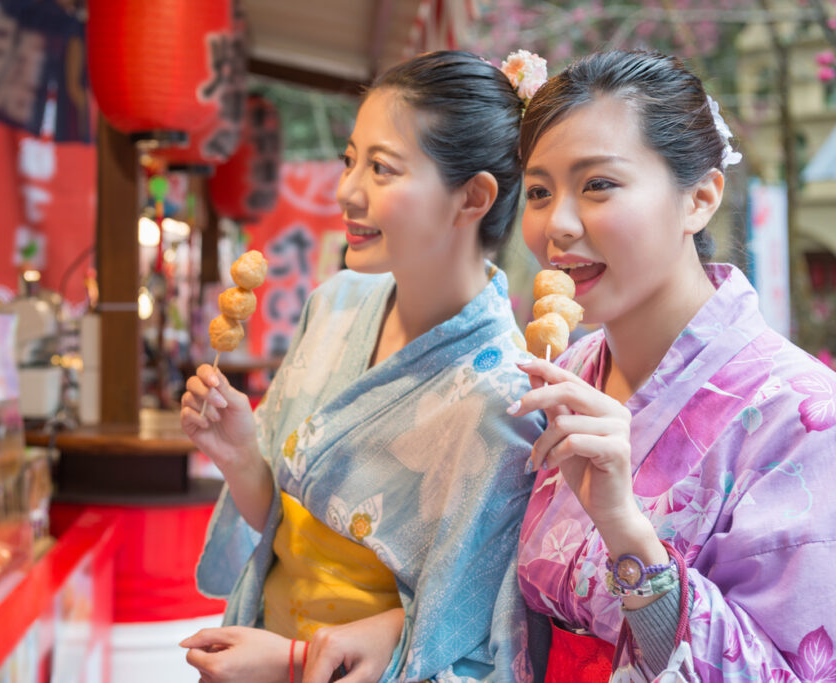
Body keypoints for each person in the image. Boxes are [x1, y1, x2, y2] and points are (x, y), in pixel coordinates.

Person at [179, 50, 546, 682]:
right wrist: (240, 454)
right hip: (260, 643)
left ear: (472, 197)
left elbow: (465, 638)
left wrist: (294, 662)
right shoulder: (336, 303)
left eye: (381, 168)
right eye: (352, 160)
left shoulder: (505, 398)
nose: (346, 191)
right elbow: (283, 522)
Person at [509, 49, 836, 681]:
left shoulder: (804, 417)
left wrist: (626, 530)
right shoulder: (571, 369)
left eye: (598, 184)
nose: (558, 224)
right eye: (540, 192)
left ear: (701, 198)